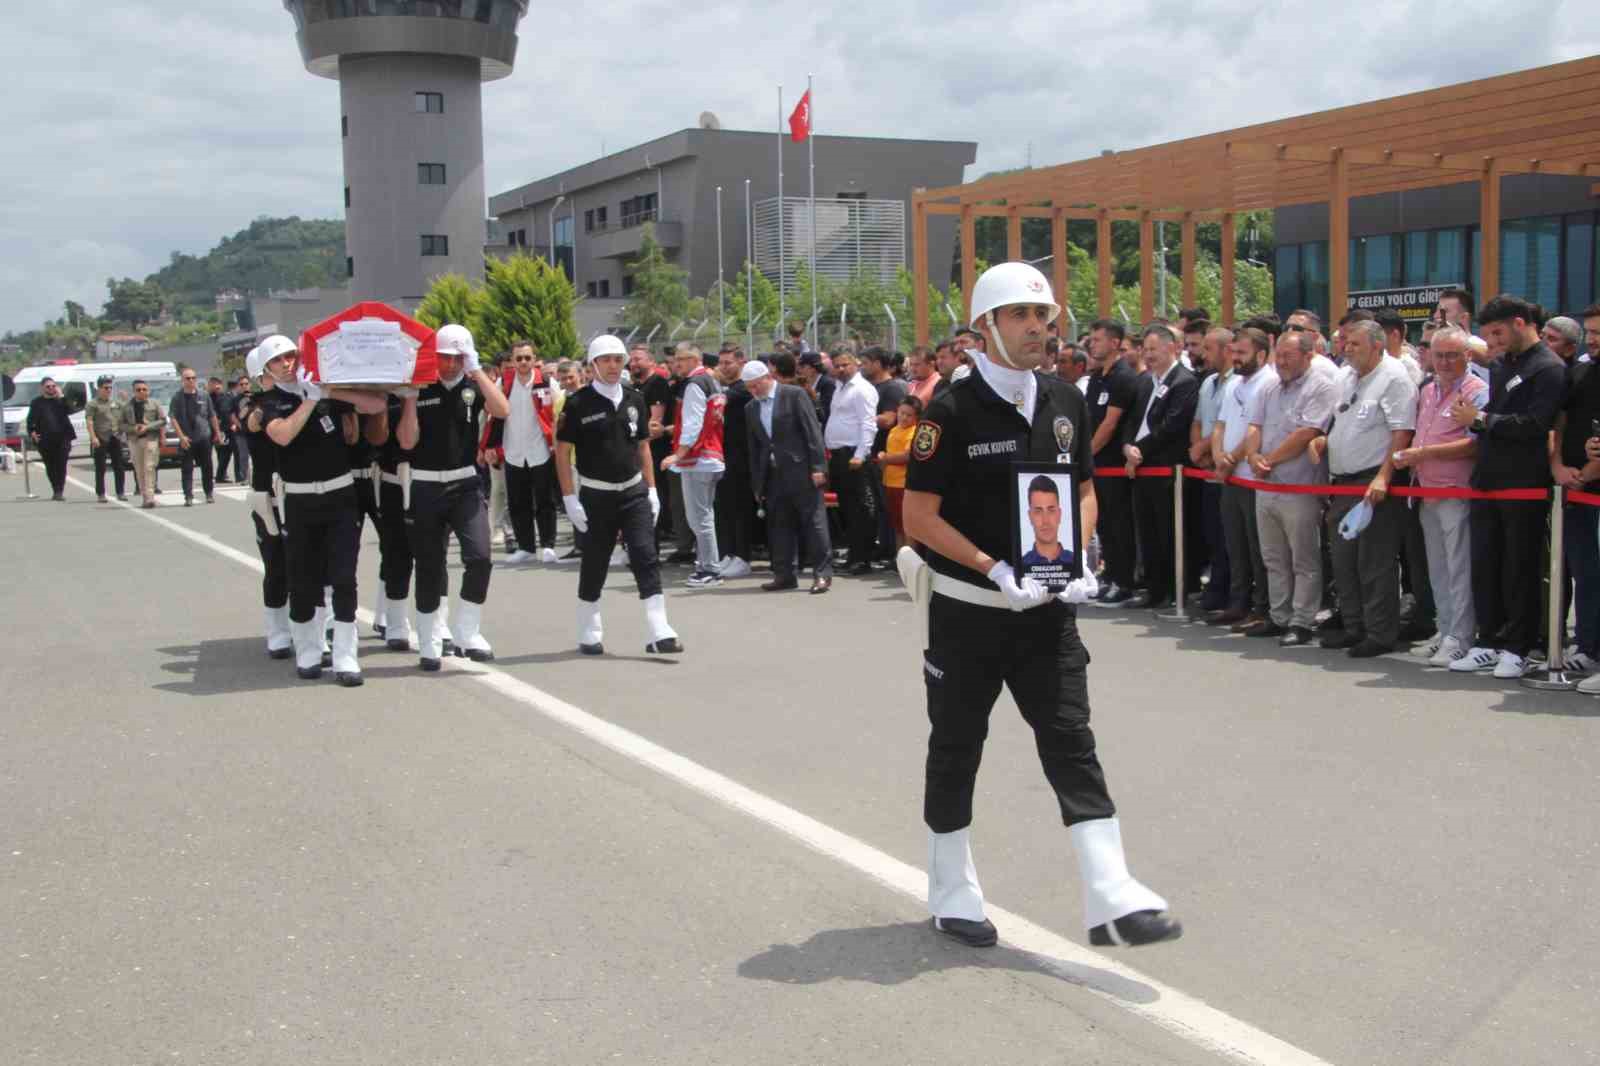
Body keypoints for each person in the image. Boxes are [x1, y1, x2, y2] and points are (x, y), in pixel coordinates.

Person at [902, 261, 1178, 950]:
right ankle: (951, 889)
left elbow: (1082, 488)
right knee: (958, 746)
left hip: (1046, 612)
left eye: (1044, 317)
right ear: (985, 327)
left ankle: (1110, 892)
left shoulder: (1065, 399)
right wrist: (992, 566)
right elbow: (918, 515)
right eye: (1021, 317)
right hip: (967, 612)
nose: (1037, 328)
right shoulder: (949, 412)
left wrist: (1079, 555)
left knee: (1070, 738)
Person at [1447, 295, 1566, 679]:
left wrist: (1481, 418)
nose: (1493, 342)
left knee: (1520, 566)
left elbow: (1535, 424)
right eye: (1488, 335)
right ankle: (1489, 640)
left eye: (1497, 332)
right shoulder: (1501, 365)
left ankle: (1520, 645)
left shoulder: (1548, 367)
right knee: (1486, 563)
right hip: (1488, 478)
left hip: (1524, 481)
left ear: (1520, 323)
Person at [257, 334, 382, 686]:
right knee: (303, 579)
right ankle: (309, 651)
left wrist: (329, 391)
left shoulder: (324, 391)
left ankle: (345, 655)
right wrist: (310, 402)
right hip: (299, 500)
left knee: (344, 577)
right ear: (267, 367)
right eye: (279, 360)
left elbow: (372, 405)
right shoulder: (268, 401)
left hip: (340, 497)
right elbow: (281, 435)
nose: (287, 363)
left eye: (291, 356)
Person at [555, 335, 681, 655]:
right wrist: (570, 498)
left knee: (645, 555)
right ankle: (589, 627)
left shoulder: (635, 398)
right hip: (596, 496)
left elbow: (643, 447)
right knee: (595, 561)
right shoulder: (577, 403)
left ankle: (659, 629)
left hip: (633, 491)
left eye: (618, 359)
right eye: (606, 360)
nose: (613, 365)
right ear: (593, 365)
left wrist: (652, 489)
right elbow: (562, 452)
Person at [396, 323, 510, 670]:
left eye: (457, 358)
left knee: (479, 556)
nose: (450, 365)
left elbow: (503, 410)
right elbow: (406, 441)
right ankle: (430, 639)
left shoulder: (473, 387)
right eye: (445, 357)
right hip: (426, 484)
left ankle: (466, 631)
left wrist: (476, 370)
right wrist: (412, 399)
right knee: (430, 565)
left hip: (465, 484)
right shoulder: (421, 387)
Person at [1309, 318, 1417, 656]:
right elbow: (1341, 419)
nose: (1346, 348)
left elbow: (1401, 433)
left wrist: (1384, 476)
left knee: (1375, 563)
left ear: (1377, 345)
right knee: (1344, 561)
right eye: (1344, 342)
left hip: (1372, 481)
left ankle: (1380, 633)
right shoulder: (1345, 375)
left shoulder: (1395, 377)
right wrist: (1324, 441)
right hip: (1342, 481)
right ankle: (1353, 626)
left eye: (1354, 343)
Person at [1391, 326, 1486, 667]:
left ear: (1468, 357)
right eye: (1438, 354)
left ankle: (1461, 636)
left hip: (1456, 491)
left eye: (1451, 355)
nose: (1443, 362)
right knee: (1438, 569)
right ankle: (1444, 631)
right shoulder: (1428, 390)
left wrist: (1424, 454)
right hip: (1427, 491)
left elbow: (1476, 443)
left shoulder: (1477, 390)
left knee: (1459, 568)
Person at [1243, 330, 1338, 643]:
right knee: (1273, 557)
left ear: (1308, 356)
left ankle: (1302, 621)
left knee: (1303, 559)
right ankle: (1278, 616)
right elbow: (1254, 425)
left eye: (1288, 356)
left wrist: (1267, 459)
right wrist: (1253, 455)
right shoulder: (1270, 387)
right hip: (1266, 485)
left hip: (1299, 487)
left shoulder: (1321, 387)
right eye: (1278, 355)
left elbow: (1306, 434)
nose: (1280, 361)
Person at [1120, 324, 1199, 610]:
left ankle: (1171, 589)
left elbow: (1172, 426)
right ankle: (1152, 588)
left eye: (1154, 349)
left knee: (1168, 532)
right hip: (1140, 467)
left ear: (1171, 348)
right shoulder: (1145, 382)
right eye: (1146, 349)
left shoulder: (1184, 382)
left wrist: (1140, 450)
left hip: (1166, 469)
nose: (1148, 355)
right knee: (1148, 530)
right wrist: (1128, 446)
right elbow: (1131, 420)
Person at [746, 359, 833, 592]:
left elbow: (812, 432)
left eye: (756, 385)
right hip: (773, 475)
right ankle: (784, 574)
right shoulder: (751, 408)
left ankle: (822, 574)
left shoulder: (793, 395)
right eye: (749, 387)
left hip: (802, 470)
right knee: (779, 526)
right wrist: (757, 483)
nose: (753, 391)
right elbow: (754, 448)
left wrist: (818, 467)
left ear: (767, 378)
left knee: (814, 523)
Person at [1208, 328, 1275, 630]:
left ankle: (1261, 606)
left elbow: (1253, 430)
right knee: (1234, 545)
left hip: (1251, 478)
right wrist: (1218, 454)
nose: (1235, 358)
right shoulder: (1234, 382)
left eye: (1242, 354)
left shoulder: (1268, 383)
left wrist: (1231, 459)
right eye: (1234, 352)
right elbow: (1220, 424)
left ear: (1260, 354)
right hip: (1229, 477)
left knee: (1256, 547)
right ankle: (1238, 602)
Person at [483, 339, 560, 565]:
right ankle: (525, 546)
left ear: (534, 360)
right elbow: (493, 417)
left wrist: (556, 443)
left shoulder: (546, 382)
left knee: (545, 501)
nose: (524, 362)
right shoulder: (503, 384)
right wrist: (489, 447)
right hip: (514, 451)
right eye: (519, 358)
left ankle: (548, 545)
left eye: (528, 357)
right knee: (517, 502)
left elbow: (558, 413)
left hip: (541, 450)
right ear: (513, 361)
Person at [239, 346, 293, 660]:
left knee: (306, 563)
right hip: (268, 495)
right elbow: (252, 422)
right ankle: (277, 631)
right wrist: (274, 400)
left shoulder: (297, 397)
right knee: (275, 564)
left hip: (297, 490)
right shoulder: (252, 403)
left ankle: (307, 627)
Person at [661, 342, 728, 588]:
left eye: (680, 359)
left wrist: (677, 455)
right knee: (703, 516)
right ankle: (706, 565)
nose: (676, 364)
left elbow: (692, 423)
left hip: (699, 458)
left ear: (693, 359)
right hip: (710, 455)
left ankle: (710, 569)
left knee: (699, 517)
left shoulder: (695, 384)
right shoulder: (712, 381)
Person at [1083, 320, 1138, 605]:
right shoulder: (1097, 377)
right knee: (1103, 524)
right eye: (1091, 339)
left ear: (1115, 343)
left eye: (1098, 339)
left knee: (1119, 526)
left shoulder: (1123, 377)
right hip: (1097, 467)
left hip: (1113, 465)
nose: (1092, 344)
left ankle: (1124, 581)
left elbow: (1110, 424)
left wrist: (1086, 453)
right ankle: (1110, 575)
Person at [823, 348, 880, 575]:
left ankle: (862, 559)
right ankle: (853, 556)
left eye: (845, 364)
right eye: (836, 365)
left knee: (861, 510)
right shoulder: (839, 387)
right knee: (847, 508)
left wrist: (860, 454)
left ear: (855, 363)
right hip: (838, 455)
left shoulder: (862, 389)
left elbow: (868, 424)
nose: (840, 369)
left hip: (854, 456)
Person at [713, 345, 758, 579]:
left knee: (739, 509)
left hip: (742, 458)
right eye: (721, 363)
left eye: (728, 362)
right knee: (724, 508)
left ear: (742, 363)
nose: (723, 367)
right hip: (724, 456)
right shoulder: (729, 389)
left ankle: (743, 556)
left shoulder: (742, 390)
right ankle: (729, 553)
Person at [862, 346, 907, 566]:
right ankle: (884, 548)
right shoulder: (869, 387)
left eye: (867, 362)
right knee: (879, 506)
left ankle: (893, 552)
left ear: (878, 363)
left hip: (889, 458)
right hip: (873, 455)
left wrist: (859, 418)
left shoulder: (893, 389)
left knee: (891, 507)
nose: (863, 366)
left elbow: (889, 420)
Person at [168, 367, 220, 505]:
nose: (191, 381)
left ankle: (209, 493)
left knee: (207, 467)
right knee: (187, 468)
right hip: (187, 438)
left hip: (203, 436)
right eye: (187, 378)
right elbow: (173, 418)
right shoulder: (177, 397)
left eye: (193, 378)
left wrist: (217, 433)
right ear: (182, 380)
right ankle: (188, 496)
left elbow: (212, 415)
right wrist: (181, 437)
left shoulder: (204, 395)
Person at [876, 396, 921, 551]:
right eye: (901, 413)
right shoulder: (894, 430)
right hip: (890, 482)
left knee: (908, 525)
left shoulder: (914, 431)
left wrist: (885, 458)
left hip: (904, 484)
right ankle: (900, 559)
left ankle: (911, 560)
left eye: (909, 415)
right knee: (897, 524)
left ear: (916, 417)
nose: (904, 417)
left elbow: (907, 456)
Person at [25, 376, 74, 501]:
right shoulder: (37, 402)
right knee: (51, 465)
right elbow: (30, 421)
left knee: (61, 464)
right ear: (42, 388)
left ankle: (60, 491)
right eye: (48, 386)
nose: (51, 388)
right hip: (45, 439)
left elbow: (70, 410)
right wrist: (32, 432)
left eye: (53, 386)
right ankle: (55, 489)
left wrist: (61, 396)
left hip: (63, 438)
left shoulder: (60, 400)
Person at [120, 379, 165, 508]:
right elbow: (121, 424)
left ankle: (150, 497)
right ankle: (145, 497)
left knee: (149, 467)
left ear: (148, 390)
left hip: (150, 439)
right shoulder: (127, 406)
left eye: (144, 389)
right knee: (139, 469)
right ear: (134, 391)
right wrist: (133, 428)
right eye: (138, 390)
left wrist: (148, 427)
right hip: (134, 440)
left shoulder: (154, 404)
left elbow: (162, 420)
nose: (141, 392)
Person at [1018, 474, 1074, 574]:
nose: (1046, 521)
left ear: (1059, 514)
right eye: (1038, 511)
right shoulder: (1021, 565)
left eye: (1051, 510)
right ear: (1030, 516)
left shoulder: (1076, 561)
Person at [84, 375, 128, 502]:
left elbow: (126, 414)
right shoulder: (93, 404)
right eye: (105, 388)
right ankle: (101, 494)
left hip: (114, 436)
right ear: (99, 388)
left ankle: (120, 492)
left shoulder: (116, 403)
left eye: (110, 387)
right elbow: (89, 421)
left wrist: (125, 399)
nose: (108, 390)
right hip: (100, 437)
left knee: (119, 466)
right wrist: (93, 437)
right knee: (100, 467)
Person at [210, 377, 238, 483]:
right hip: (218, 429)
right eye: (215, 386)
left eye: (219, 386)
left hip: (228, 429)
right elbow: (213, 414)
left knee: (226, 453)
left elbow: (229, 412)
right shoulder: (210, 398)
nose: (217, 389)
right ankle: (220, 475)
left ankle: (221, 475)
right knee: (223, 453)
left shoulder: (226, 397)